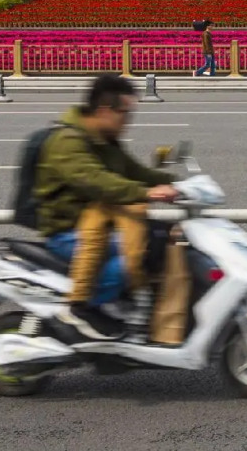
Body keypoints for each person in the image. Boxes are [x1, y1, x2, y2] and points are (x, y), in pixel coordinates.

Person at [34, 74, 183, 343]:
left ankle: (138, 309)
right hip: (68, 230)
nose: (128, 121)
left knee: (162, 237)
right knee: (137, 253)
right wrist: (147, 193)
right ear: (105, 110)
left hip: (102, 220)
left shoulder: (105, 140)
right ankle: (85, 309)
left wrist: (181, 184)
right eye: (125, 114)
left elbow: (134, 171)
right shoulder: (68, 141)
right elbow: (98, 182)